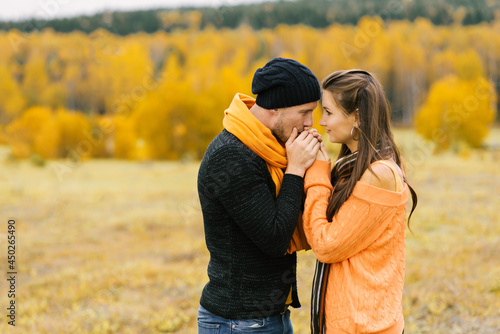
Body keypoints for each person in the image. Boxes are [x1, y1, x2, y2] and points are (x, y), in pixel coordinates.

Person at [197, 57, 322, 333]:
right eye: (303, 112)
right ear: (274, 107)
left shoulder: (269, 147)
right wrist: (297, 169)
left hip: (265, 318)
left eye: (313, 112)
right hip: (239, 322)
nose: (309, 123)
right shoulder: (232, 156)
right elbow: (275, 238)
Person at [302, 70, 418, 334]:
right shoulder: (353, 168)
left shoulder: (380, 174)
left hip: (366, 326)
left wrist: (318, 176)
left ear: (357, 116)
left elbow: (326, 245)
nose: (321, 121)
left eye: (329, 112)